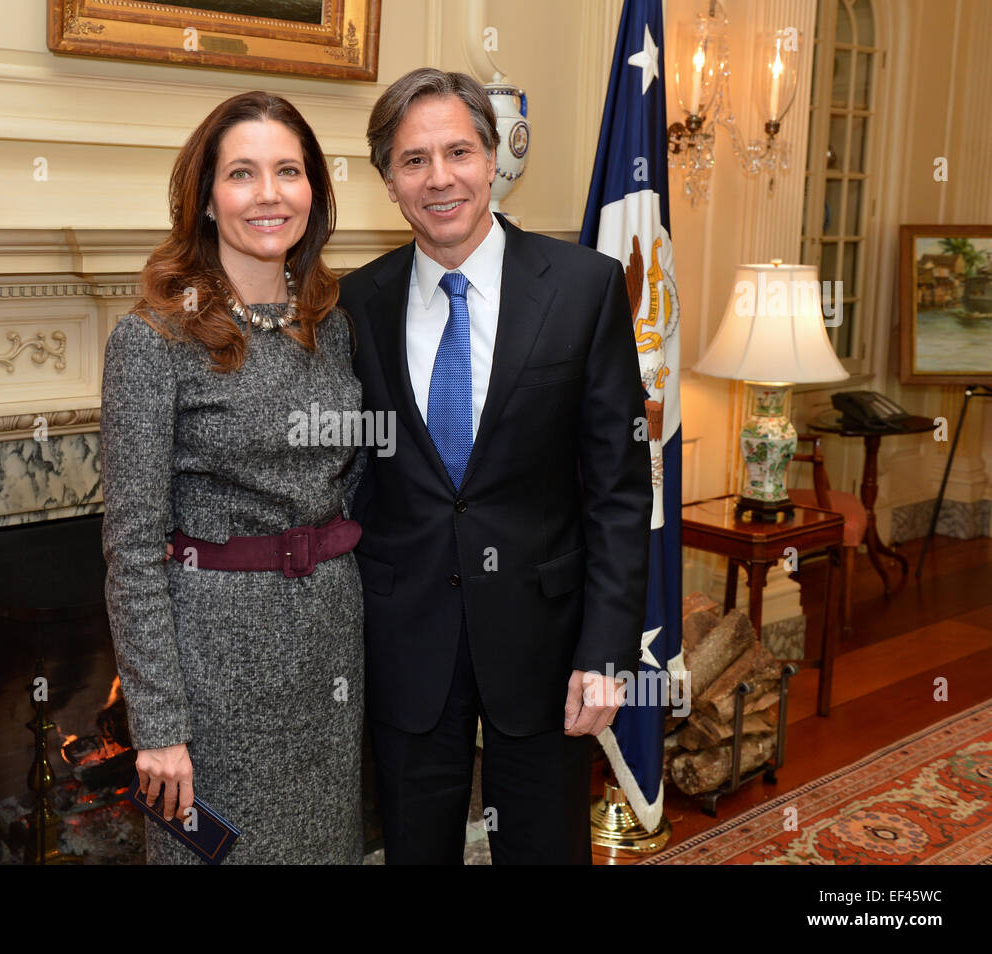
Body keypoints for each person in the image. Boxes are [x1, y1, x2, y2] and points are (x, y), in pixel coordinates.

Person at [338, 68, 652, 864]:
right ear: (388, 181)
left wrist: (608, 650)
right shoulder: (354, 304)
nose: (440, 179)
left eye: (458, 152)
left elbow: (618, 489)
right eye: (414, 161)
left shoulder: (584, 288)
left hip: (547, 644)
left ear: (493, 160)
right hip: (407, 640)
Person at [100, 91, 366, 864]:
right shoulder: (153, 339)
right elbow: (132, 548)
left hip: (328, 652)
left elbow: (340, 484)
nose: (269, 193)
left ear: (313, 192)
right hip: (211, 669)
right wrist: (157, 725)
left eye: (288, 171)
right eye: (242, 174)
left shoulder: (330, 321)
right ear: (207, 200)